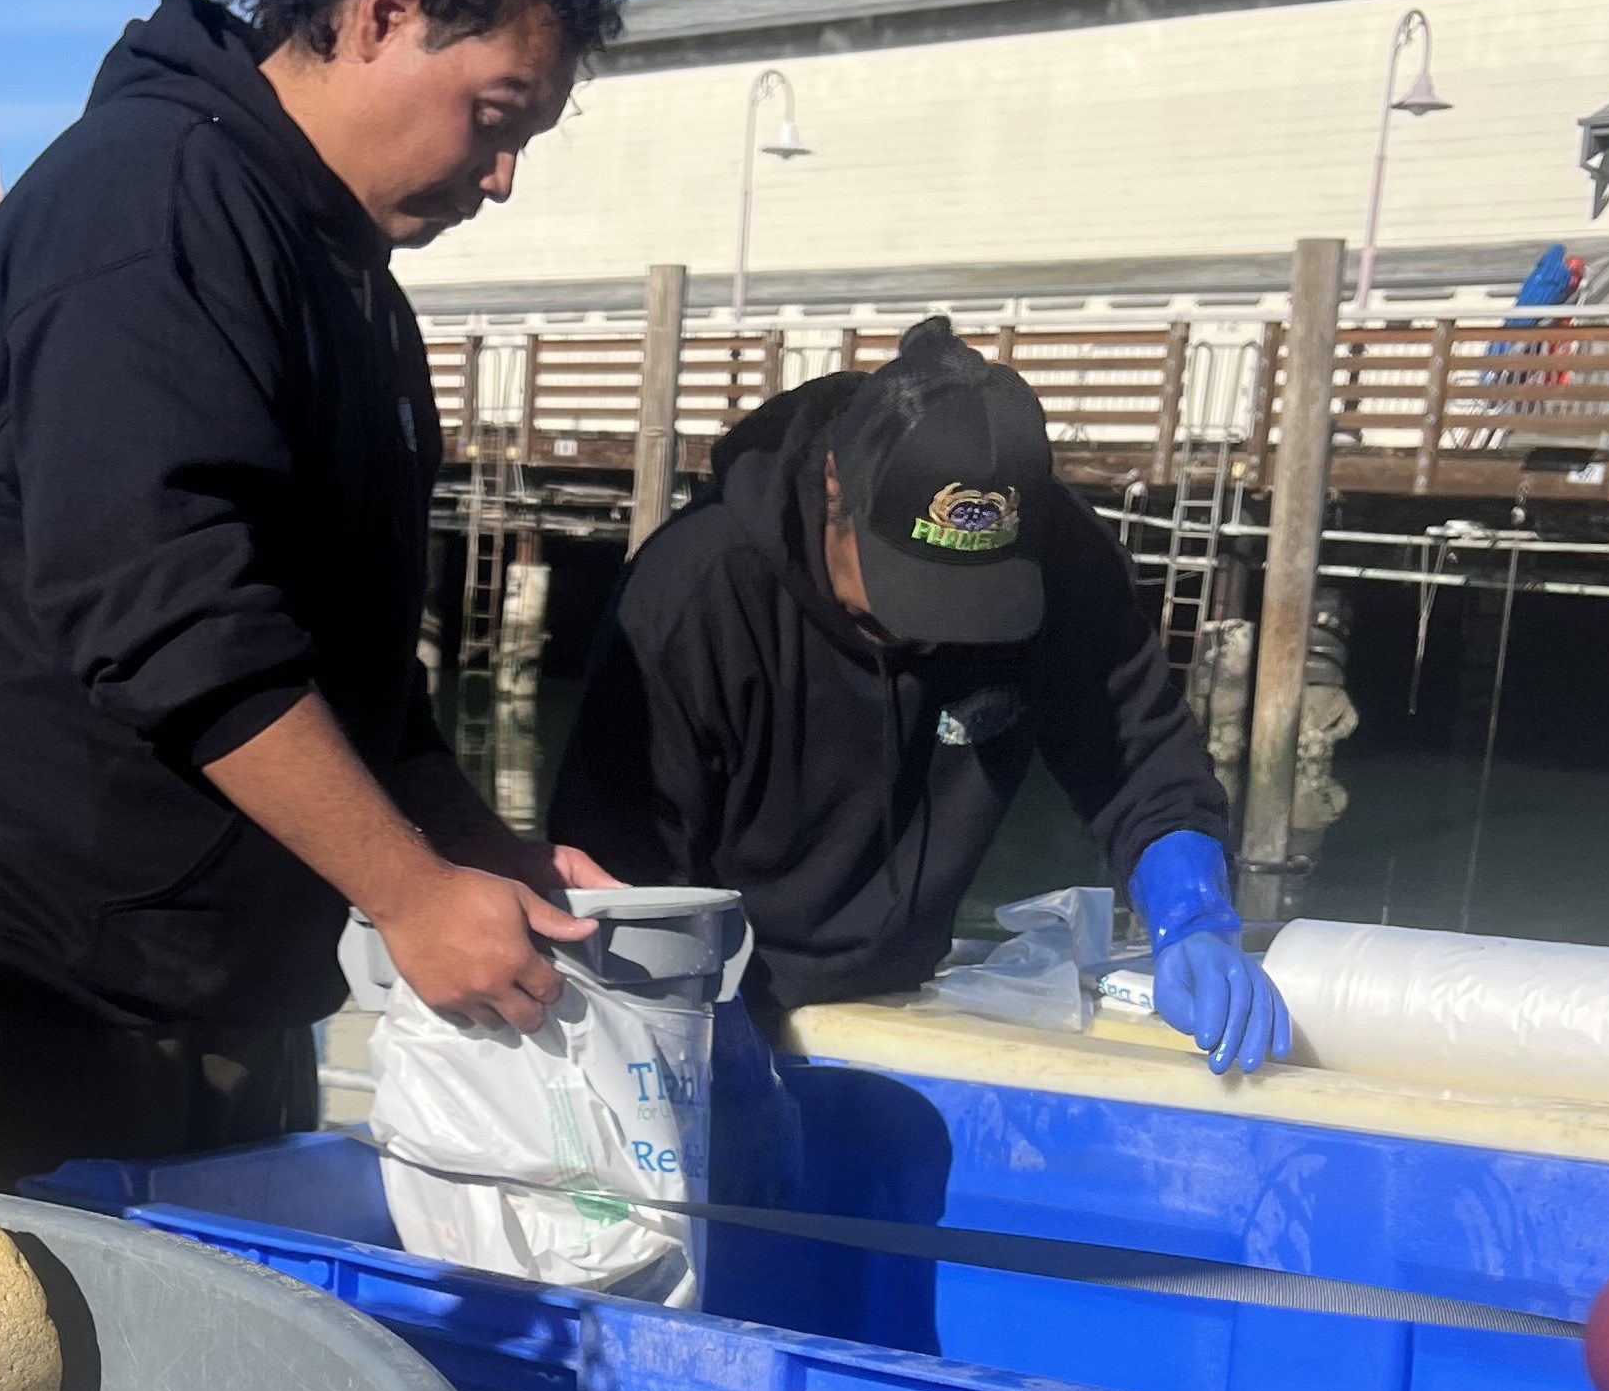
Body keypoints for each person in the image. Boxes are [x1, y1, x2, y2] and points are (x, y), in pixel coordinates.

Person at [0, 0, 628, 1187]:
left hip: (210, 973)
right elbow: (172, 620)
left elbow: (348, 660)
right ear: (386, 15)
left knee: (217, 1377)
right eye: (494, 116)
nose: (505, 175)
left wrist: (476, 849)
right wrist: (410, 897)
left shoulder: (348, 280)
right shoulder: (157, 203)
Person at [547, 321, 1289, 1076]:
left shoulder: (1061, 560)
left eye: (973, 609)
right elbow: (620, 872)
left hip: (901, 991)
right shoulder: (695, 589)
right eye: (899, 598)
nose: (931, 639)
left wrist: (1191, 914)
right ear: (834, 481)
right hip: (712, 1000)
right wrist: (694, 1034)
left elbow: (1138, 756)